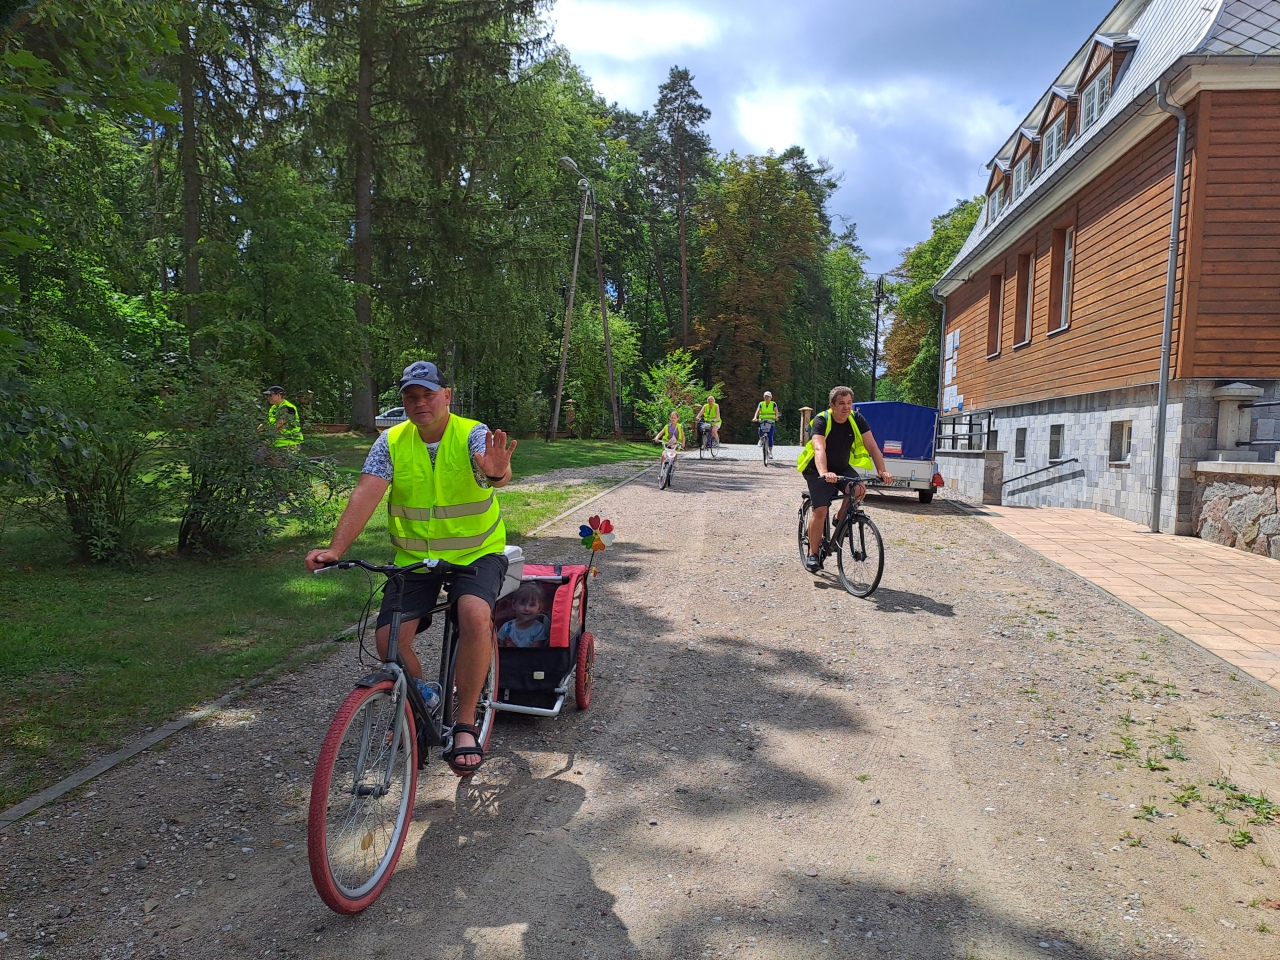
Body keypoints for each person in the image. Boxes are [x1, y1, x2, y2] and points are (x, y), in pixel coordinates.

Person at [305, 360, 515, 775]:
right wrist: (335, 548)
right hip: (416, 559)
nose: (419, 402)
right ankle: (424, 695)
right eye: (410, 396)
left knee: (473, 615)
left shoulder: (471, 432)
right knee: (388, 642)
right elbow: (366, 493)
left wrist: (497, 472)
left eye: (428, 394)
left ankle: (465, 722)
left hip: (477, 552)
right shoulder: (391, 442)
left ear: (446, 396)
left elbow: (491, 469)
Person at [795, 386, 893, 573]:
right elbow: (818, 449)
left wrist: (883, 471)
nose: (846, 407)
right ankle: (813, 554)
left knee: (859, 490)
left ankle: (840, 518)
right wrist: (824, 472)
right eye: (841, 403)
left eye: (849, 403)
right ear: (832, 405)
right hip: (816, 469)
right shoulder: (822, 420)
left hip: (840, 467)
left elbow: (872, 447)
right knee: (821, 510)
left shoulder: (856, 419)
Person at [497, 582, 550, 648]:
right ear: (513, 604)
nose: (526, 609)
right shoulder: (506, 627)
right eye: (522, 604)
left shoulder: (539, 629)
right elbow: (498, 648)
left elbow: (535, 653)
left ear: (539, 608)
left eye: (532, 605)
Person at [751, 390, 778, 454]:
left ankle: (770, 452)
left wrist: (776, 417)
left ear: (770, 397)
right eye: (765, 396)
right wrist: (755, 417)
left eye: (768, 396)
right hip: (762, 420)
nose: (766, 398)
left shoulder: (773, 404)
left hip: (771, 421)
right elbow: (757, 411)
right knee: (760, 430)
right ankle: (761, 439)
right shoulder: (761, 404)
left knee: (770, 437)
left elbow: (776, 411)